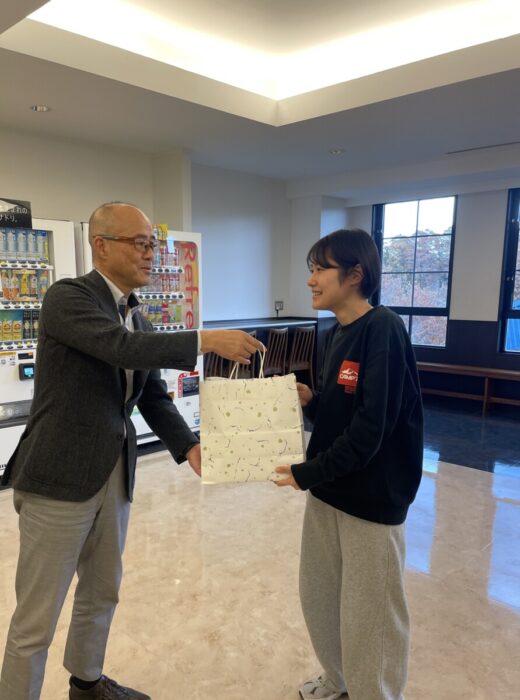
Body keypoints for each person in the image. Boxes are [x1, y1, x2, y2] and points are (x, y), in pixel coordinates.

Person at [0, 202, 263, 700]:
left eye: (153, 245)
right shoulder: (68, 297)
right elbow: (119, 348)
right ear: (101, 246)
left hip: (115, 474)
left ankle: (87, 683)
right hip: (58, 479)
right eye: (140, 243)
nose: (150, 254)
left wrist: (190, 448)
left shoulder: (137, 316)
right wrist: (206, 339)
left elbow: (153, 396)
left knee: (102, 590)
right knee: (36, 618)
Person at [275, 228, 423, 700]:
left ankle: (375, 693)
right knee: (320, 595)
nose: (311, 280)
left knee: (371, 613)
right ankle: (338, 680)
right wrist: (313, 401)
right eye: (311, 269)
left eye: (321, 269)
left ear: (355, 274)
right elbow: (344, 411)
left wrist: (306, 473)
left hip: (371, 500)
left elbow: (370, 430)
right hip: (330, 492)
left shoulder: (384, 329)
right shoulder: (338, 331)